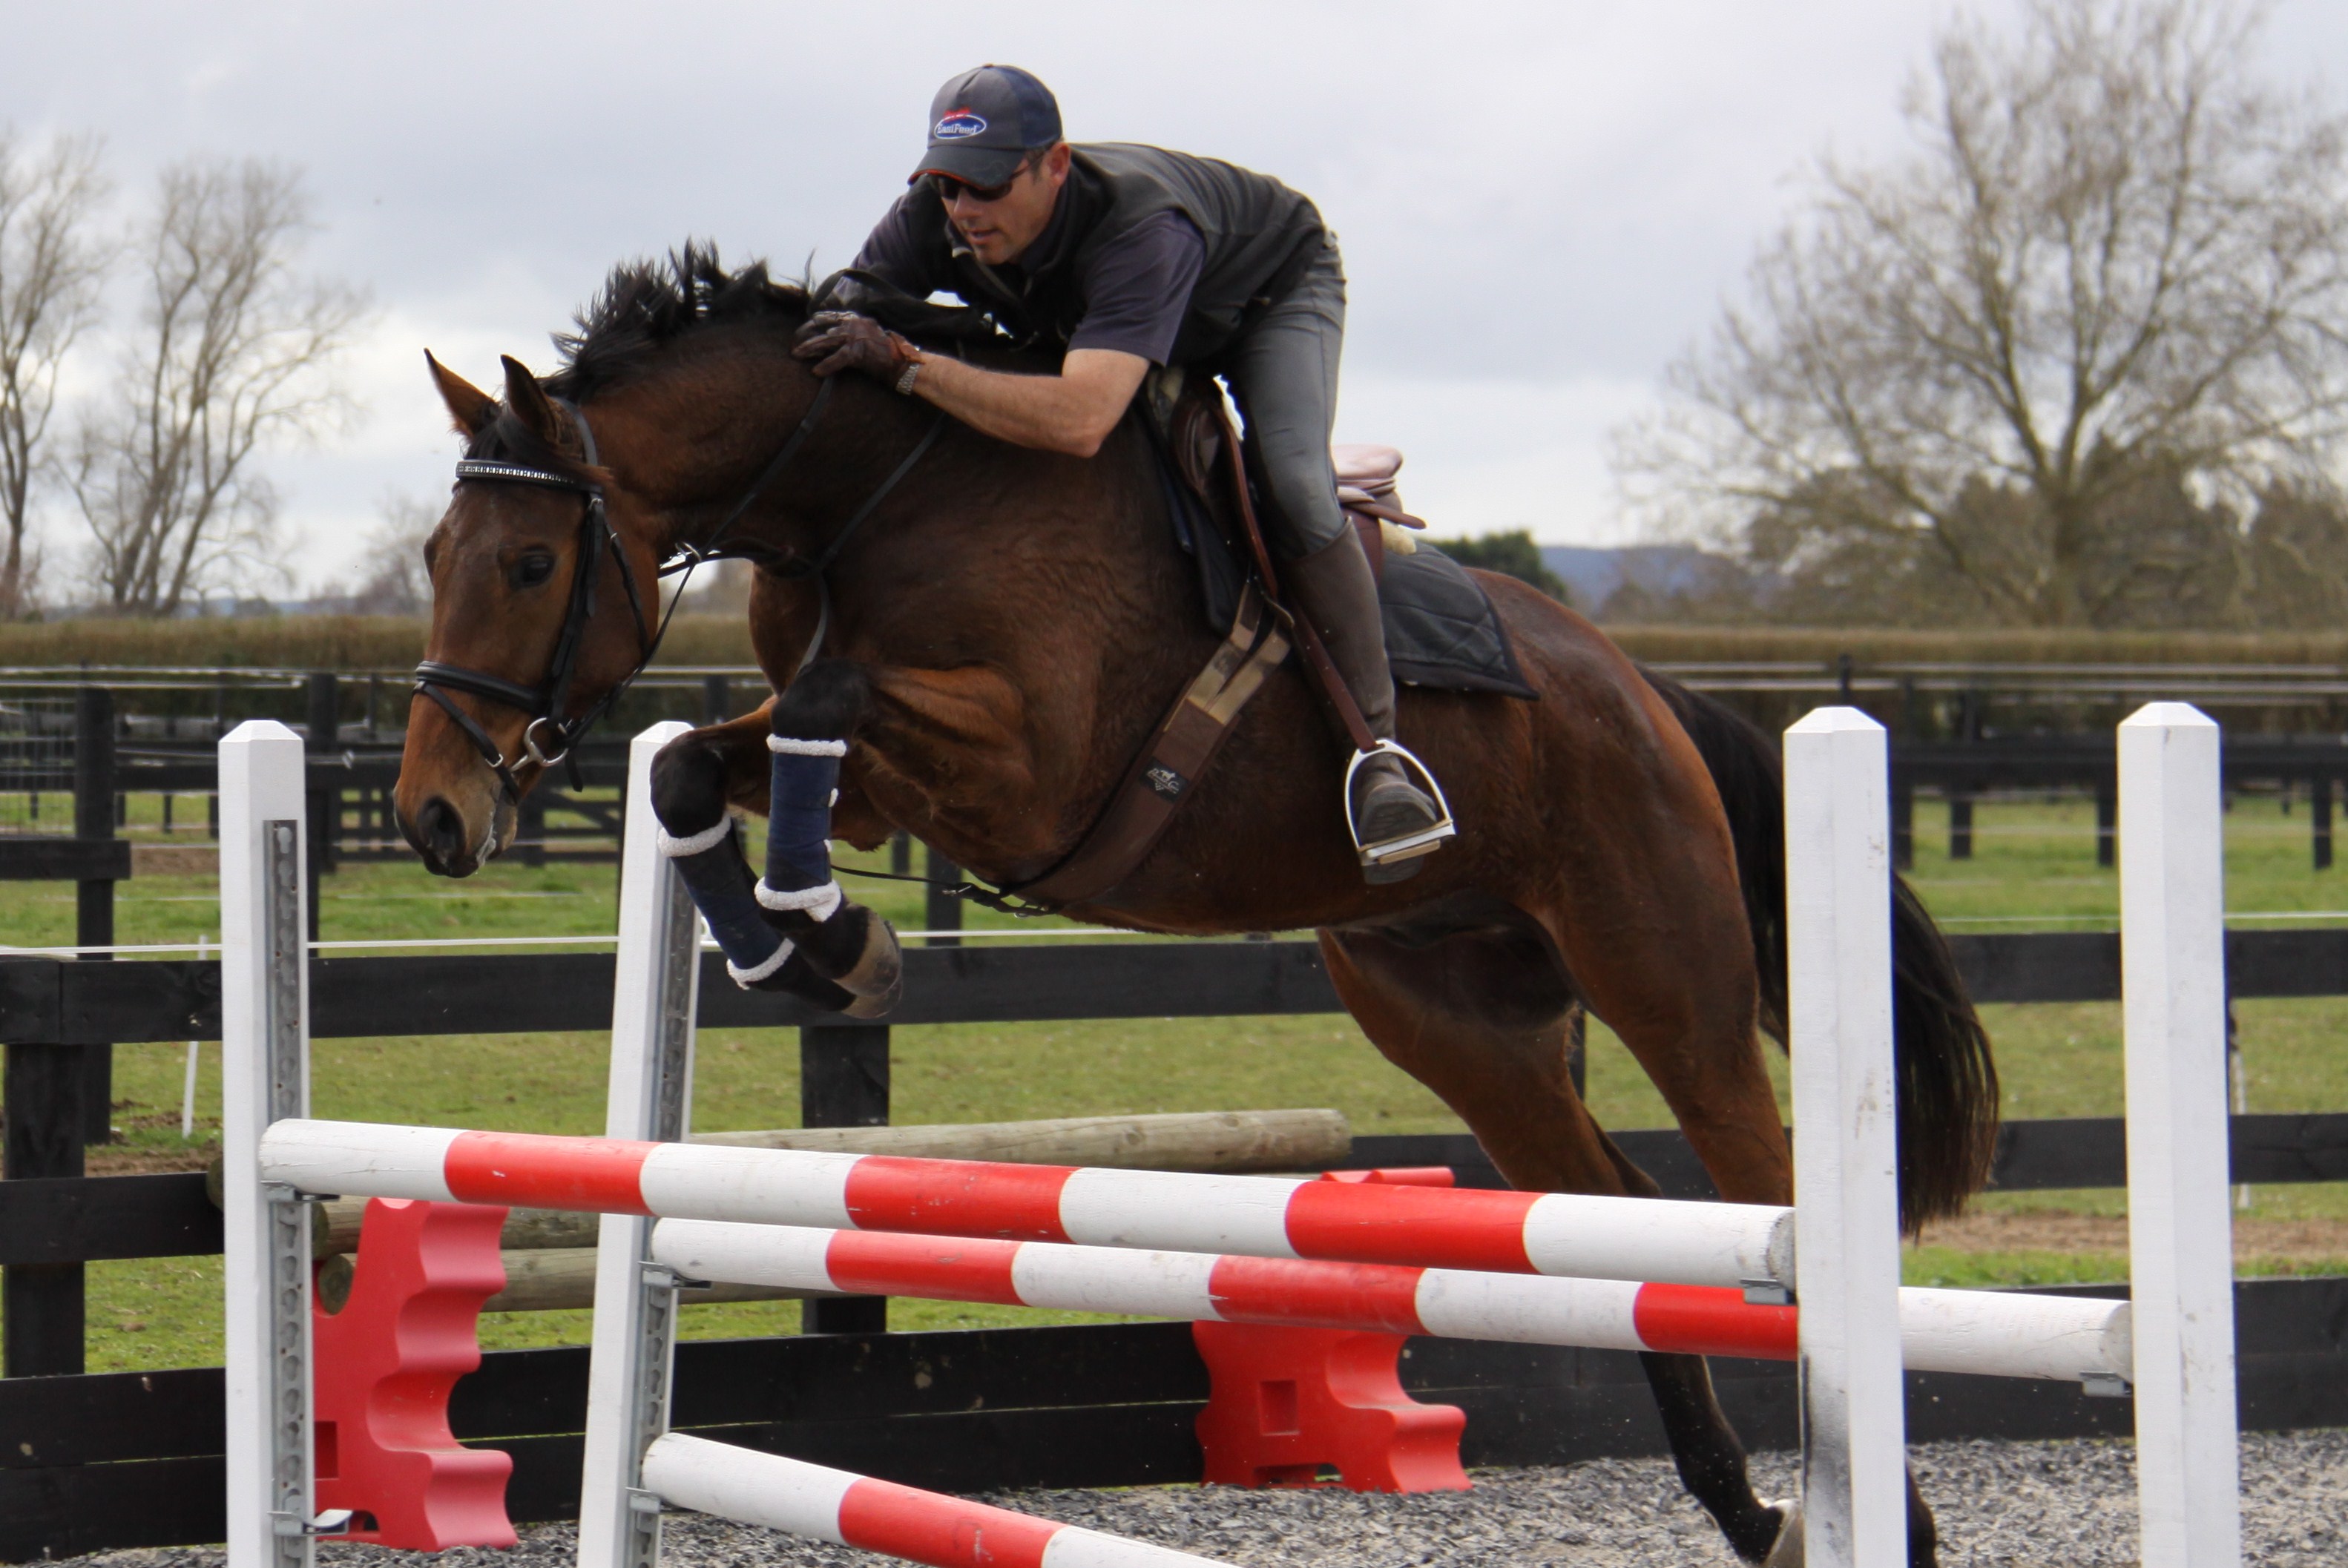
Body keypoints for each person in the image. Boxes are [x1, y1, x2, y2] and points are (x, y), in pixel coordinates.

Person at [793, 64, 1450, 883]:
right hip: (1112, 322)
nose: (965, 210)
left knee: (1292, 484)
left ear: (1054, 164)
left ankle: (1379, 756)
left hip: (1262, 301)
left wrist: (910, 363)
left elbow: (1079, 420)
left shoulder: (1142, 227)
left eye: (989, 187)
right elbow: (841, 315)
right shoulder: (937, 214)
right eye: (949, 186)